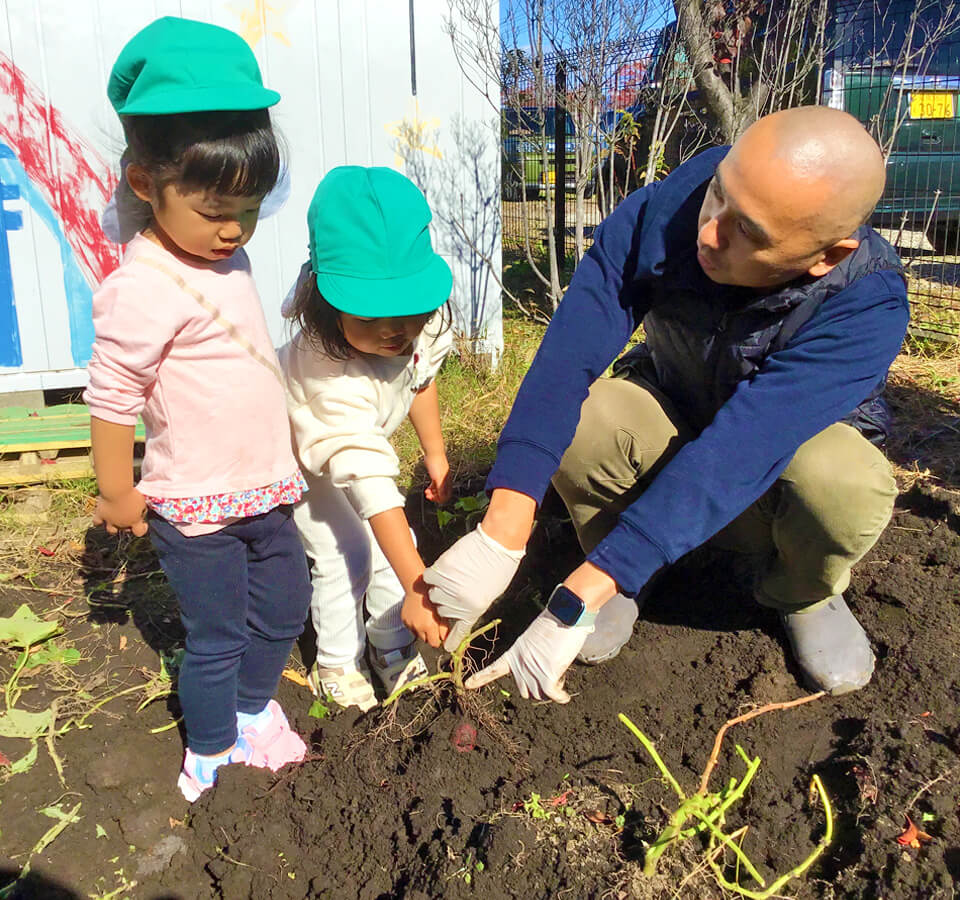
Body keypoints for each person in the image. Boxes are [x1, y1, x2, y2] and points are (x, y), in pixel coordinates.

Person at [424, 106, 909, 702]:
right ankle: (622, 574)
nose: (709, 232)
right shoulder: (671, 211)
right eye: (719, 194)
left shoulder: (864, 304)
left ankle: (800, 590)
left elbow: (740, 451)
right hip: (674, 411)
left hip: (775, 468)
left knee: (843, 483)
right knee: (588, 420)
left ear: (825, 257)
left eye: (750, 232)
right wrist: (503, 529)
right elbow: (567, 360)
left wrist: (573, 598)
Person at [84, 17, 311, 800]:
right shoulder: (141, 285)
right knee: (215, 635)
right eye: (213, 207)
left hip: (265, 486)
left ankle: (251, 708)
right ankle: (210, 749)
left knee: (284, 607)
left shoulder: (229, 254)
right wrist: (118, 489)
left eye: (246, 210)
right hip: (193, 501)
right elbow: (113, 395)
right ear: (146, 182)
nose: (232, 229)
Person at [280, 167, 455, 711]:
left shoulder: (420, 328)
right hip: (303, 456)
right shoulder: (326, 369)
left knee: (393, 550)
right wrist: (421, 589)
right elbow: (367, 477)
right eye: (372, 315)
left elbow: (419, 377)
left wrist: (435, 453)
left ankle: (389, 644)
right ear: (325, 301)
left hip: (363, 444)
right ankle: (336, 660)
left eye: (409, 311)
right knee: (344, 553)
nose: (395, 330)